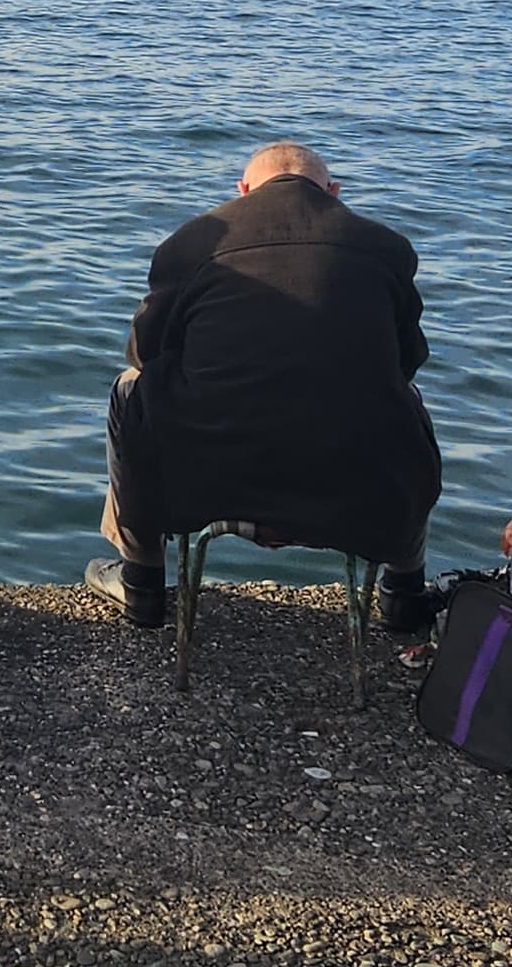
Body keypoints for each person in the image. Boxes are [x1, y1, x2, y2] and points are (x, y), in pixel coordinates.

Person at [82, 141, 441, 630]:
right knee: (404, 402)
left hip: (206, 479)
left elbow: (144, 354)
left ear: (244, 190)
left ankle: (142, 581)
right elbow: (408, 361)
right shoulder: (386, 248)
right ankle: (403, 591)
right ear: (332, 192)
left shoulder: (190, 245)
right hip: (360, 486)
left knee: (131, 388)